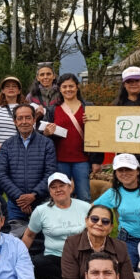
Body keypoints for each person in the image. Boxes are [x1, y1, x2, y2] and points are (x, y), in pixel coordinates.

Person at [92, 153, 140, 270]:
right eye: (120, 170)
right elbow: (92, 209)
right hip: (127, 240)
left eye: (129, 169)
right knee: (126, 273)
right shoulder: (114, 193)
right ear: (116, 173)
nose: (124, 173)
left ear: (138, 171)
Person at [53, 204, 137, 279]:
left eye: (105, 221)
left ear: (111, 227)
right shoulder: (72, 243)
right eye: (94, 219)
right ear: (86, 221)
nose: (99, 223)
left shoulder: (120, 247)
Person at [0, 103, 57, 241]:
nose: (24, 122)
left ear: (34, 119)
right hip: (16, 203)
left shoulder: (46, 143)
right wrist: (21, 198)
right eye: (20, 118)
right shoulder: (7, 145)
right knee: (14, 241)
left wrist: (34, 195)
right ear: (15, 121)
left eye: (28, 117)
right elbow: (2, 174)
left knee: (44, 241)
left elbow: (50, 173)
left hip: (41, 202)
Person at [21, 172, 90, 279]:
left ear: (70, 188)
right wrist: (19, 257)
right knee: (36, 263)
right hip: (54, 257)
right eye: (53, 187)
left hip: (81, 255)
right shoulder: (41, 211)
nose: (58, 190)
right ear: (50, 192)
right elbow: (29, 235)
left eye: (62, 186)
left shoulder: (86, 207)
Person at [43, 73, 97, 202]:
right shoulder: (53, 109)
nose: (68, 89)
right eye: (64, 87)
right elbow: (42, 134)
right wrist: (46, 133)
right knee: (61, 196)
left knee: (84, 196)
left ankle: (85, 216)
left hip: (82, 159)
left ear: (77, 87)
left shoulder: (88, 107)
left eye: (71, 86)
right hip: (60, 160)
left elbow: (97, 133)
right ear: (60, 89)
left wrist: (97, 160)